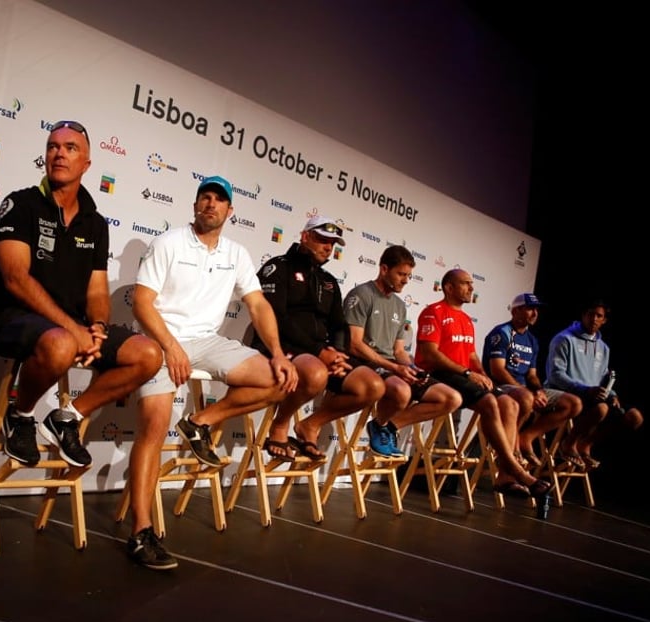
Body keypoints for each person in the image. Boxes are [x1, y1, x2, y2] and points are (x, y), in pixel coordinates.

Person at [130, 175, 298, 567]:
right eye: (204, 198)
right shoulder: (169, 242)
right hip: (160, 339)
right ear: (195, 206)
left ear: (229, 211)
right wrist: (170, 346)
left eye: (218, 200)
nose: (210, 204)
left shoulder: (237, 253)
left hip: (206, 342)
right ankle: (141, 530)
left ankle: (200, 421)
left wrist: (277, 352)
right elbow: (142, 303)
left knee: (280, 380)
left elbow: (258, 306)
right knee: (153, 427)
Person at [0, 121, 163, 478]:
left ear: (87, 164)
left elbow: (97, 290)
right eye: (53, 146)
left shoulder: (96, 223)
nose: (59, 153)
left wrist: (95, 326)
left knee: (148, 355)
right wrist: (73, 329)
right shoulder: (20, 203)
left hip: (69, 327)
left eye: (70, 148)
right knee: (63, 344)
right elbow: (16, 278)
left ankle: (68, 416)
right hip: (13, 318)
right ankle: (20, 416)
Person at [252, 216, 385, 461]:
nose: (328, 248)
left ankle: (310, 425)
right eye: (323, 240)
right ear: (305, 237)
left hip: (318, 353)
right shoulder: (277, 268)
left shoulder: (329, 282)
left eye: (332, 243)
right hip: (280, 347)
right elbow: (275, 319)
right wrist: (319, 352)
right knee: (316, 373)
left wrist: (338, 355)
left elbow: (339, 326)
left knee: (372, 386)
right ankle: (280, 425)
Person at [414, 269, 551, 499]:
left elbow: (471, 355)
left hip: (462, 375)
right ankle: (516, 470)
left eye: (471, 284)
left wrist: (481, 373)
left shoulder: (466, 320)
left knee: (510, 404)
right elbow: (430, 354)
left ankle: (505, 477)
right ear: (449, 287)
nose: (471, 288)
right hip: (440, 374)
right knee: (489, 401)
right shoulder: (433, 312)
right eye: (466, 284)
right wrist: (468, 373)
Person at [343, 245, 461, 456]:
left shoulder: (399, 305)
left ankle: (387, 426)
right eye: (401, 274)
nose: (406, 280)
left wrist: (412, 368)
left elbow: (399, 351)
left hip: (390, 366)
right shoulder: (362, 294)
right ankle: (380, 425)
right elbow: (354, 344)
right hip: (365, 363)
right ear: (384, 269)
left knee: (451, 398)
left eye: (409, 275)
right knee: (402, 391)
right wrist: (395, 368)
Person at [482, 292, 583, 468]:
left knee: (573, 403)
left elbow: (532, 375)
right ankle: (511, 449)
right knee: (526, 398)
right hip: (501, 387)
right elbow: (497, 370)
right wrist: (525, 391)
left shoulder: (532, 340)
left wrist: (537, 391)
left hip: (524, 389)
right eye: (530, 309)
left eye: (536, 309)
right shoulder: (502, 332)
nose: (535, 313)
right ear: (516, 311)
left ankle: (525, 438)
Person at [544, 299, 643, 469]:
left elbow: (601, 377)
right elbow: (555, 375)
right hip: (566, 393)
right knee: (601, 409)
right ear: (583, 315)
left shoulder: (603, 348)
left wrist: (612, 394)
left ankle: (585, 444)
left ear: (604, 320)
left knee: (634, 417)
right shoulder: (564, 339)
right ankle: (569, 443)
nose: (594, 319)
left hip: (592, 397)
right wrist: (586, 390)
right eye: (591, 314)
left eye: (599, 316)